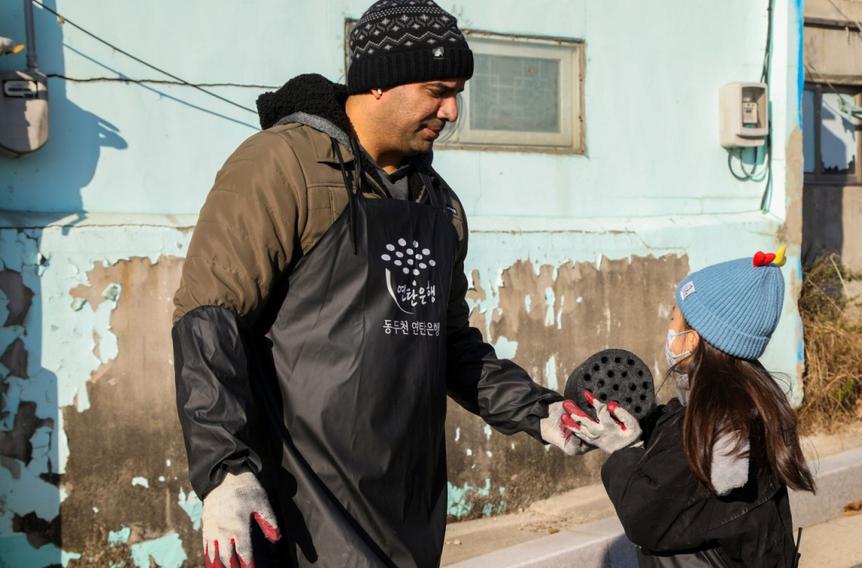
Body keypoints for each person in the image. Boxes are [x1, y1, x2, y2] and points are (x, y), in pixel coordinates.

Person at [170, 2, 583, 567]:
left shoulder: (438, 204)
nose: (452, 110)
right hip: (301, 512)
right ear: (379, 84)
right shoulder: (284, 165)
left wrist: (541, 413)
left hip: (407, 512)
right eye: (437, 89)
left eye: (457, 91)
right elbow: (208, 318)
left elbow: (449, 344)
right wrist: (226, 471)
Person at [564, 249, 816, 567]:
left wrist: (623, 451)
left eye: (673, 319)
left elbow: (645, 521)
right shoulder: (753, 405)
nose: (668, 329)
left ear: (692, 340)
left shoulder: (707, 429)